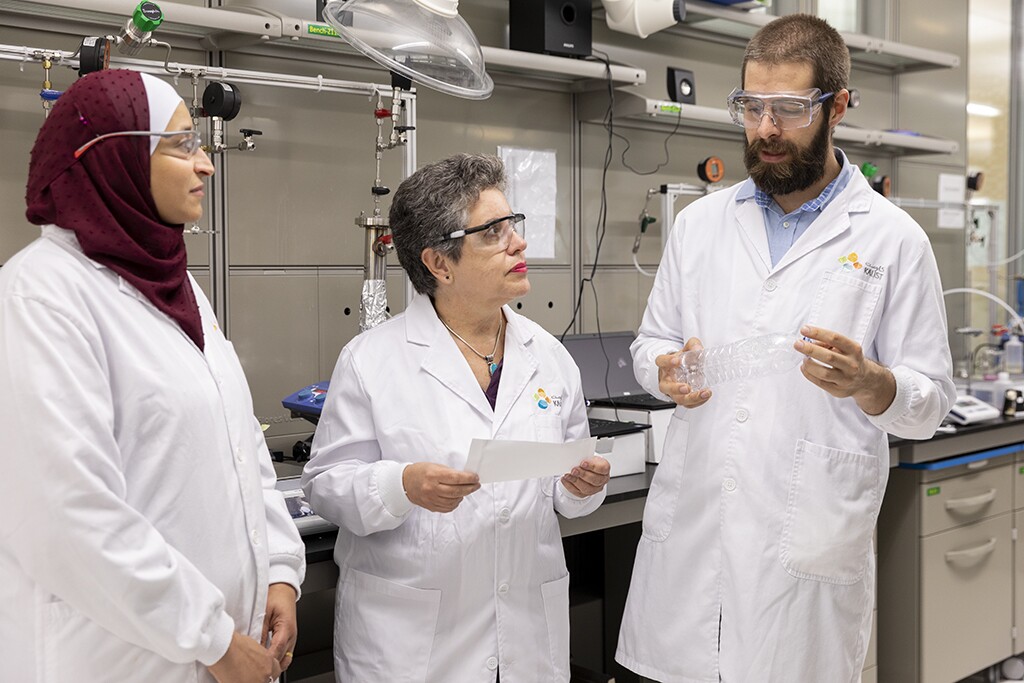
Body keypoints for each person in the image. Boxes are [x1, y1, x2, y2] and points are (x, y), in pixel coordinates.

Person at [615, 14, 955, 683]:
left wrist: (870, 382)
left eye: (790, 109)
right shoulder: (701, 225)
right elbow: (650, 343)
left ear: (838, 106)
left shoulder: (893, 240)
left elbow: (929, 402)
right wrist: (663, 369)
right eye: (751, 106)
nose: (765, 129)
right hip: (688, 550)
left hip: (804, 553)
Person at [0, 69, 305, 683]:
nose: (207, 166)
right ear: (113, 155)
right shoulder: (41, 295)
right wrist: (213, 638)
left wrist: (279, 570)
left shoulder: (179, 285)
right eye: (183, 145)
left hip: (225, 644)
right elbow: (68, 514)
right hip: (119, 659)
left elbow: (239, 443)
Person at [302, 153, 611, 682]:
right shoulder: (371, 360)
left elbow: (565, 495)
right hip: (415, 648)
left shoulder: (549, 357)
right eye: (493, 233)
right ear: (439, 264)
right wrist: (401, 485)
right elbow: (326, 486)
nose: (518, 242)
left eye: (514, 224)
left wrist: (582, 487)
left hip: (525, 637)